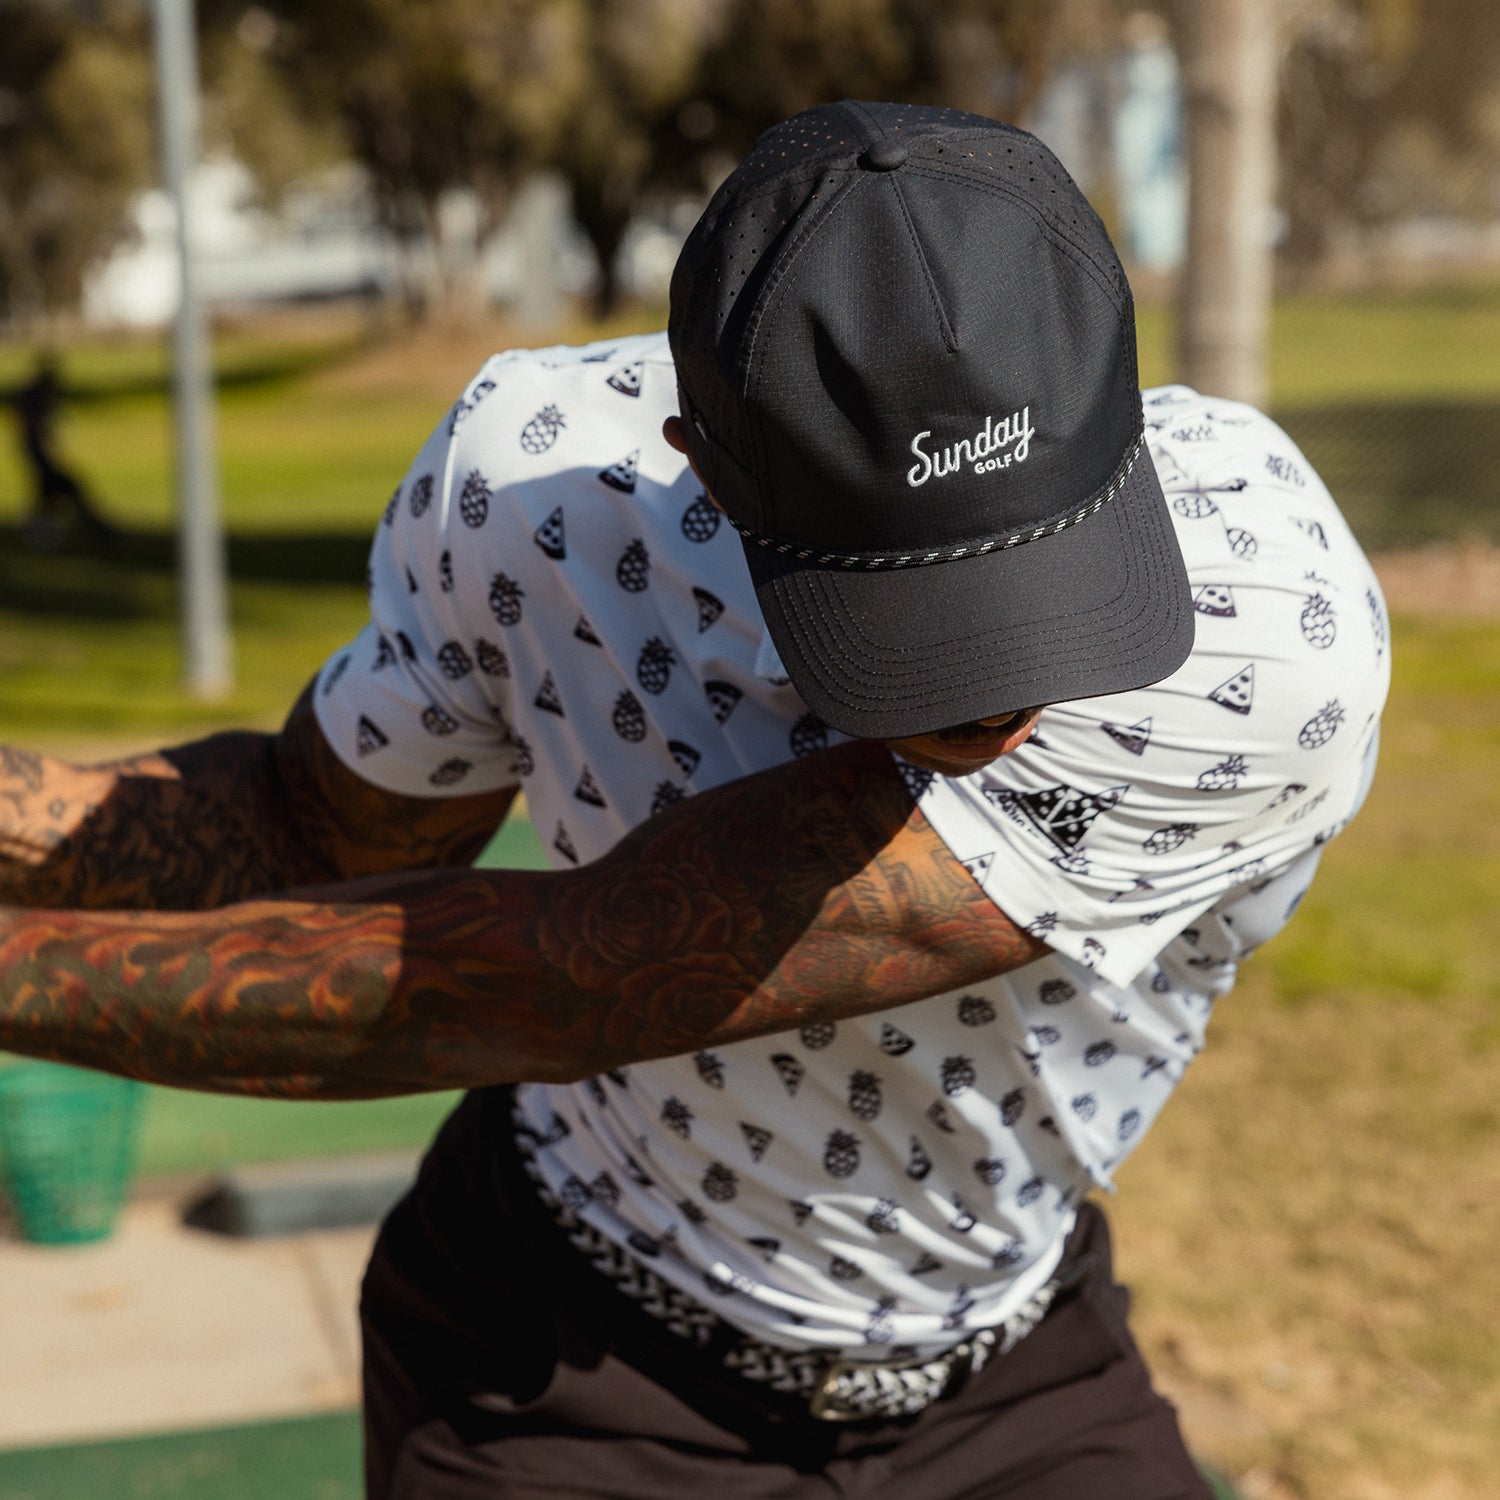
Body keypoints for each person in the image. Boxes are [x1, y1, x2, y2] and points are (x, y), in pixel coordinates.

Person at [0, 103, 1388, 1499]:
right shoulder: (534, 491)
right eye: (914, 600)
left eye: (1037, 568)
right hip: (557, 1367)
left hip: (1008, 1364)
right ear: (703, 468)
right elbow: (314, 829)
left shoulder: (1265, 618)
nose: (1004, 688)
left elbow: (574, 979)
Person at [9, 353, 117, 551]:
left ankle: (46, 533)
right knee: (65, 490)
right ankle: (97, 531)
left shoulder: (36, 395)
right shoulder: (36, 396)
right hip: (36, 453)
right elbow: (35, 428)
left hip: (35, 453)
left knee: (49, 495)